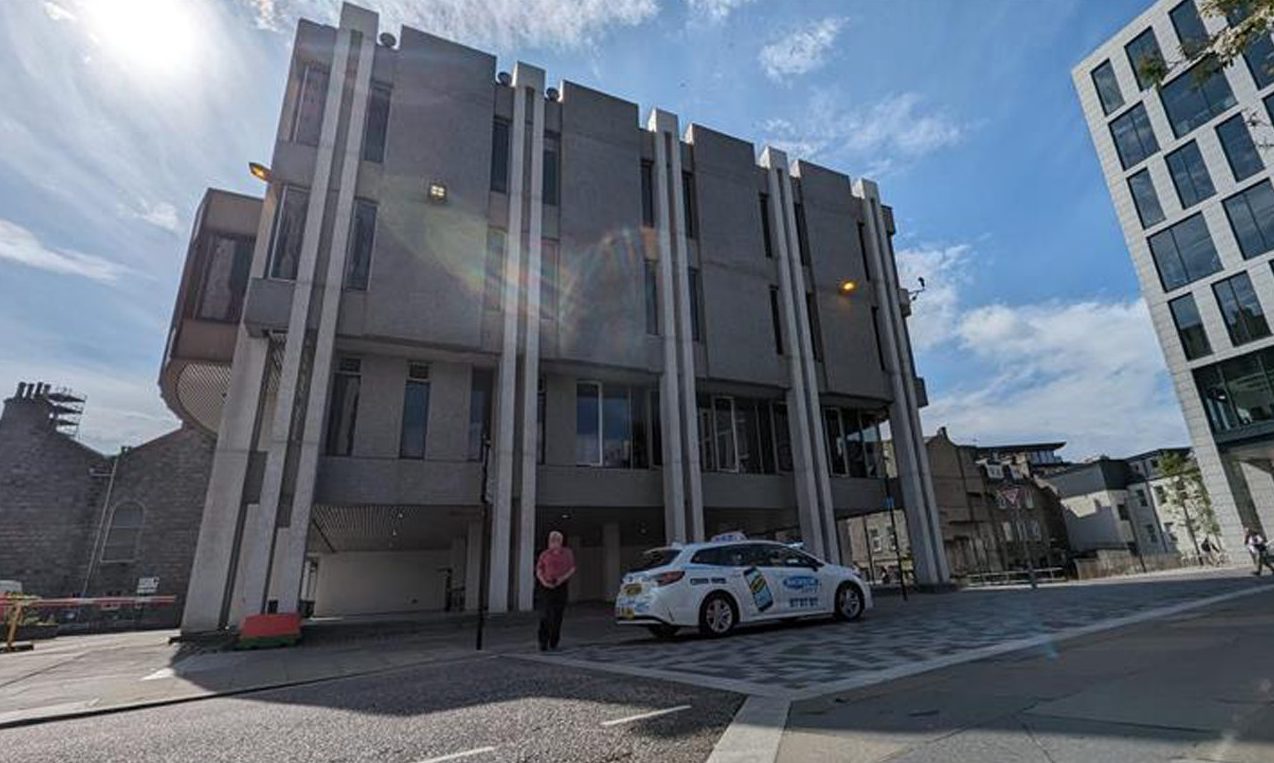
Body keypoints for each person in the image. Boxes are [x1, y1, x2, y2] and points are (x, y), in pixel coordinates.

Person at [535, 531, 576, 651]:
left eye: (555, 540)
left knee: (557, 615)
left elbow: (572, 568)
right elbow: (539, 569)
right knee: (545, 615)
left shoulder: (567, 553)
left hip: (560, 586)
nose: (553, 543)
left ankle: (554, 640)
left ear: (560, 542)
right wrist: (543, 581)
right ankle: (543, 641)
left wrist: (562, 579)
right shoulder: (545, 554)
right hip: (546, 586)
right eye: (551, 540)